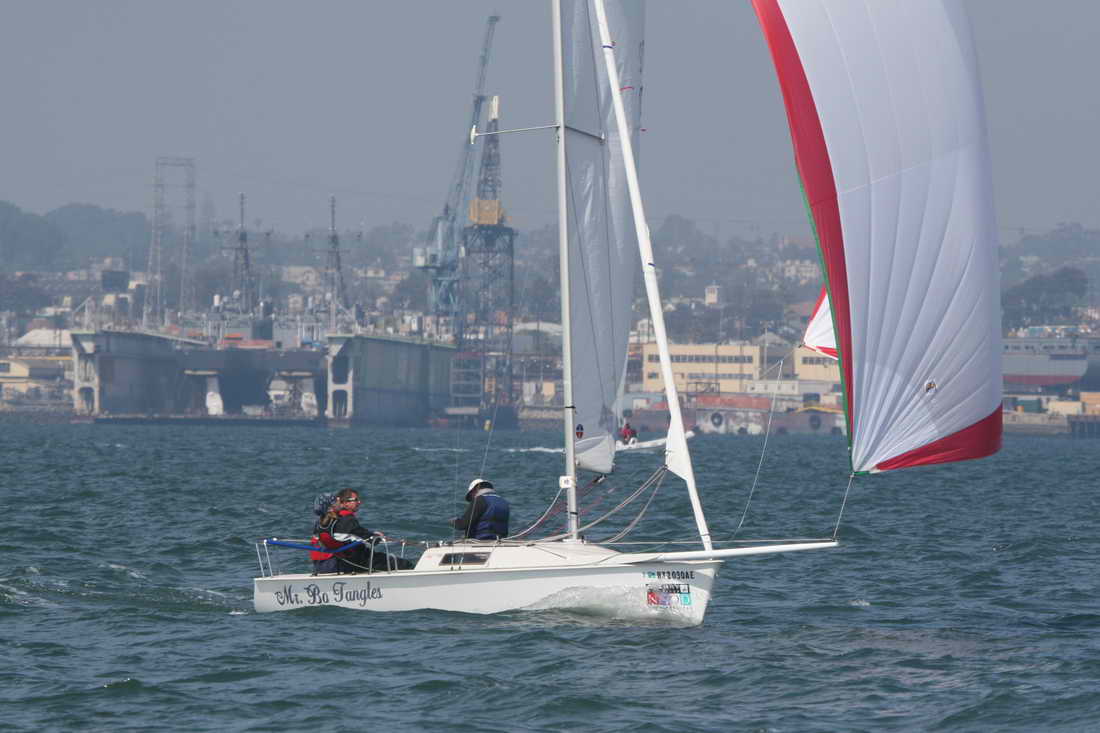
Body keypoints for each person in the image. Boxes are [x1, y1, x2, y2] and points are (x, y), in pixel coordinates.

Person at [315, 488, 414, 572]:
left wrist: (371, 535)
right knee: (405, 564)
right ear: (345, 503)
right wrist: (377, 537)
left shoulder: (321, 524)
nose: (359, 502)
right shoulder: (346, 520)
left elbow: (354, 535)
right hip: (356, 562)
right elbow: (368, 538)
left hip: (330, 563)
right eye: (355, 500)